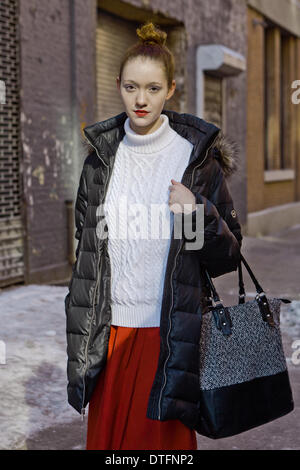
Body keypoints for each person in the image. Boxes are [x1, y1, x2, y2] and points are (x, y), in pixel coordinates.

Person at [64, 21, 243, 451]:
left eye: (152, 88)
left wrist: (196, 214)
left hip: (167, 339)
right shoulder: (99, 164)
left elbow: (227, 256)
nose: (140, 99)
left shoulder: (195, 162)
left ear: (171, 90)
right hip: (109, 338)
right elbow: (87, 254)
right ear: (119, 86)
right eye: (130, 87)